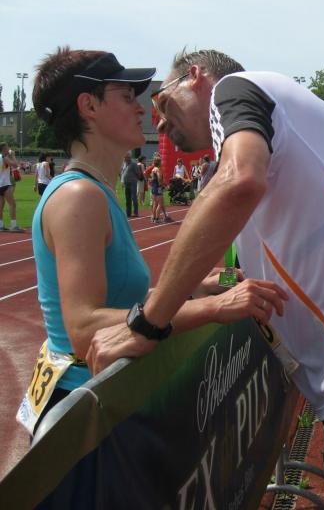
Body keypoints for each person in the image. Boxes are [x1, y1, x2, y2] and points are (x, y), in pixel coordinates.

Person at [87, 49, 324, 509]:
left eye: (162, 102)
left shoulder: (233, 89)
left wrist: (147, 323)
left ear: (196, 77)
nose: (159, 123)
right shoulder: (285, 110)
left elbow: (240, 181)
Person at [23, 47, 287, 433]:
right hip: (86, 416)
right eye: (126, 96)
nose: (141, 109)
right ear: (88, 106)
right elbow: (84, 328)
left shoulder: (97, 192)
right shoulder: (79, 197)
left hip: (106, 397)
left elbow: (121, 305)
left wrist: (196, 288)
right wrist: (214, 307)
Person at [0, 143, 24, 232]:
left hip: (0, 184)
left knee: (1, 206)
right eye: (7, 148)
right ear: (3, 149)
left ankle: (1, 225)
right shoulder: (4, 157)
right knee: (12, 204)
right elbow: (15, 165)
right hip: (5, 184)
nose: (9, 149)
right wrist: (13, 156)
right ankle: (13, 226)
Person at [121, 151, 143, 218]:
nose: (124, 158)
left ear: (129, 157)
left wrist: (135, 179)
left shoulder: (133, 164)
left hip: (132, 183)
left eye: (125, 157)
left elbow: (138, 173)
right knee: (127, 198)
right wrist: (122, 181)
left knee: (134, 197)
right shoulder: (124, 164)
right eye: (124, 157)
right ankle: (128, 213)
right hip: (126, 183)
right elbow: (123, 173)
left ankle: (136, 213)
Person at [150, 157, 171, 223]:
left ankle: (153, 218)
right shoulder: (158, 169)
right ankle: (157, 218)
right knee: (160, 204)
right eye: (161, 161)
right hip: (158, 187)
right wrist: (161, 185)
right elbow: (159, 178)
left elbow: (152, 178)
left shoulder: (153, 169)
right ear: (159, 162)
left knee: (155, 203)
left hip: (153, 187)